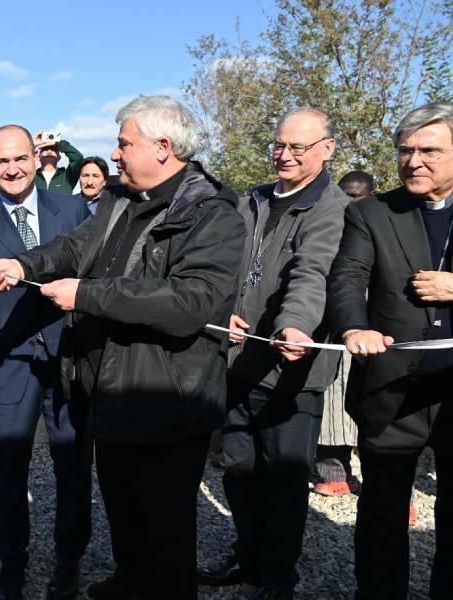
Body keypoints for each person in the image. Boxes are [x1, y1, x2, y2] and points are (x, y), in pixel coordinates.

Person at [0, 95, 246, 600]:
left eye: (124, 143)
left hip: (168, 398)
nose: (115, 155)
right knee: (123, 511)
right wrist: (25, 265)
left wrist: (85, 294)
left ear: (164, 147)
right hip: (112, 391)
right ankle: (128, 582)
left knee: (164, 532)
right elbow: (75, 247)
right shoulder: (124, 199)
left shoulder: (213, 215)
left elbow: (192, 300)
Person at [201, 107, 349, 600]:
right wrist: (224, 310)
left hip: (292, 370)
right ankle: (249, 558)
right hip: (238, 360)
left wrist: (296, 324)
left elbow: (313, 272)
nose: (284, 156)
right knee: (240, 472)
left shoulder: (333, 208)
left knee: (284, 480)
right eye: (279, 145)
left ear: (327, 149)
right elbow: (227, 266)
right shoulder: (255, 201)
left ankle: (279, 577)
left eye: (297, 147)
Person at [0, 124, 92, 600]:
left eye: (18, 158)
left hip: (69, 353)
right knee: (10, 465)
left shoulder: (72, 208)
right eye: (0, 162)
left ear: (36, 157)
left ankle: (69, 559)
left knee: (72, 461)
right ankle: (12, 562)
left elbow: (89, 268)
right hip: (10, 357)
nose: (11, 169)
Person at [328, 102, 453, 600]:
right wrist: (353, 325)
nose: (414, 161)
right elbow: (347, 276)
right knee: (382, 512)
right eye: (406, 150)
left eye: (430, 151)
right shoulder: (371, 212)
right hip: (391, 384)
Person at [311, 171, 374, 497]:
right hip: (330, 327)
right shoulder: (327, 225)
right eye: (345, 194)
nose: (350, 202)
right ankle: (333, 471)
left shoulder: (382, 225)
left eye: (357, 196)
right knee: (331, 400)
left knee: (375, 407)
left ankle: (384, 486)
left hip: (374, 329)